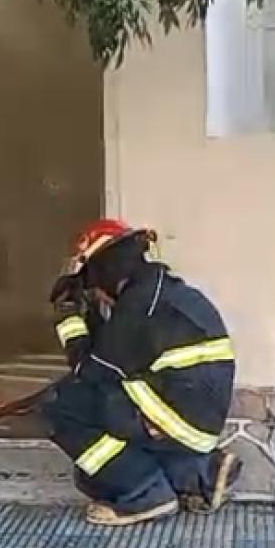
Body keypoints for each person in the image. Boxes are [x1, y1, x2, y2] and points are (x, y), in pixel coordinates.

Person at [43, 218, 242, 526]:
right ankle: (202, 472)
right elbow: (115, 357)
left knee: (60, 405)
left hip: (175, 415)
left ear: (106, 271)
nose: (95, 294)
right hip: (194, 415)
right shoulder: (160, 292)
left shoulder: (138, 307)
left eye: (92, 284)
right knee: (91, 477)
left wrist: (68, 320)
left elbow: (89, 370)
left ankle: (144, 495)